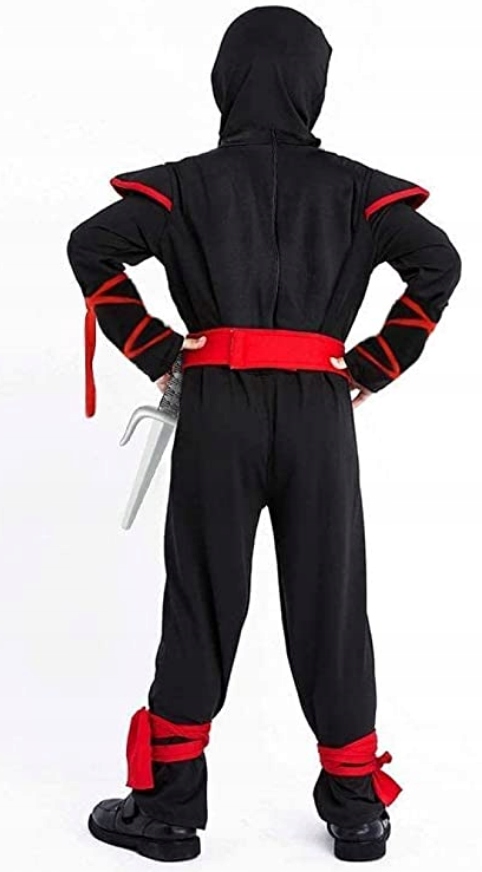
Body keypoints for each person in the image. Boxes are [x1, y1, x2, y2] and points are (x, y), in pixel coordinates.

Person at [66, 5, 461, 863]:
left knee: (201, 599)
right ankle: (356, 811)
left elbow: (90, 245)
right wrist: (370, 366)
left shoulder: (184, 185)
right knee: (331, 601)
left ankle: (168, 812)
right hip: (319, 413)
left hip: (218, 408)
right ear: (314, 84)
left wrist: (160, 354)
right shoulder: (358, 189)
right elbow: (440, 262)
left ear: (227, 80)